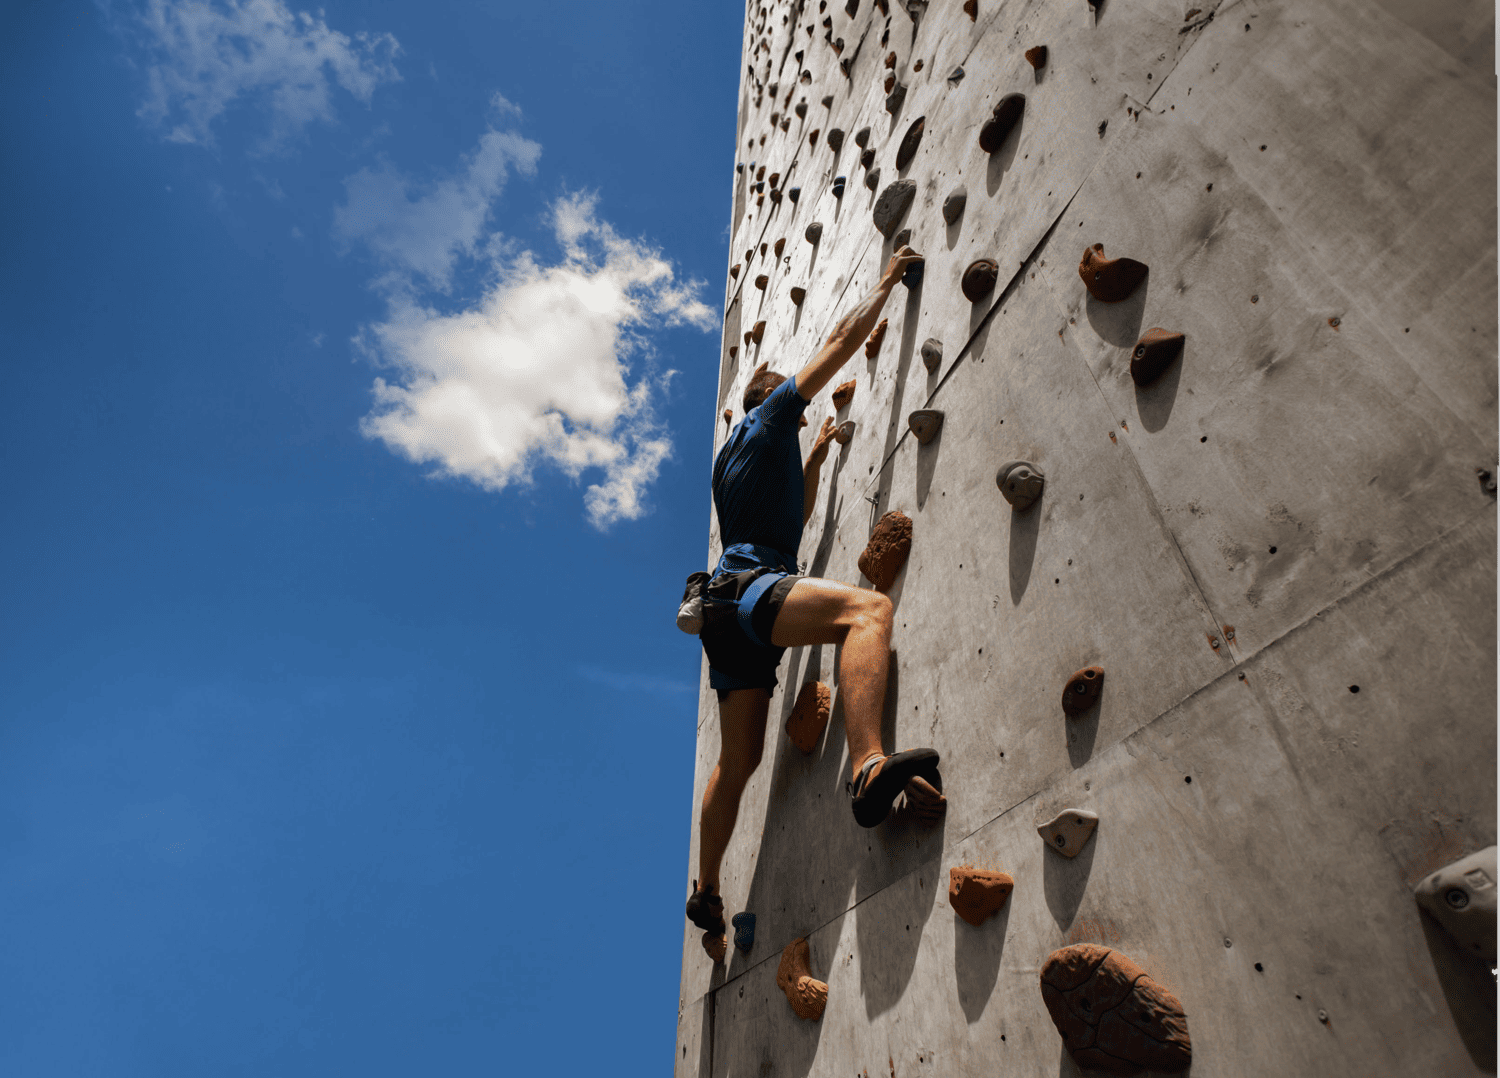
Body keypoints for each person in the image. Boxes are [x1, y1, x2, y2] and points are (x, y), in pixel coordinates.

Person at [686, 246, 946, 948]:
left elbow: (784, 528)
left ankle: (706, 890)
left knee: (737, 764)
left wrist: (819, 457)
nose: (802, 420)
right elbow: (837, 343)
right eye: (799, 416)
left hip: (726, 612)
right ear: (773, 400)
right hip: (750, 593)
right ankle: (867, 765)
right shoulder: (769, 416)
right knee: (868, 611)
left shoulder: (735, 462)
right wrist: (887, 280)